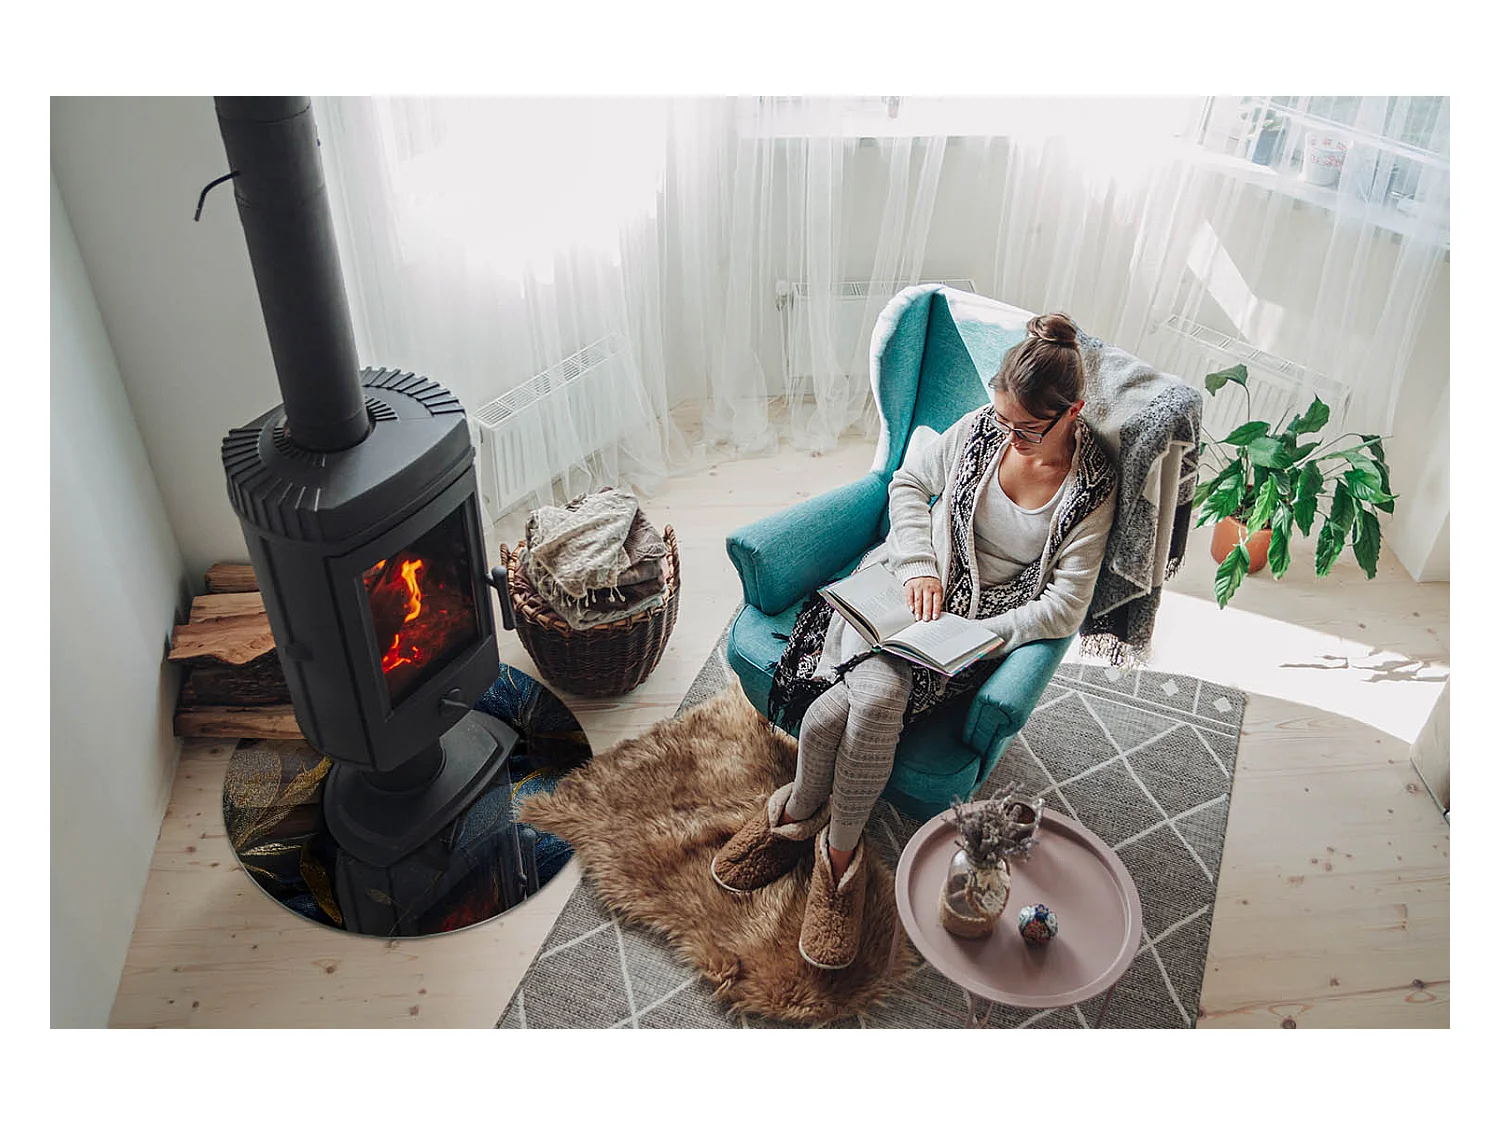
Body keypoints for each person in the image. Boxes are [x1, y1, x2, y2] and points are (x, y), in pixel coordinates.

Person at [710, 312, 1119, 970]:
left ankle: (809, 833)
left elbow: (1065, 605)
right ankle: (828, 849)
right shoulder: (986, 425)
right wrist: (919, 566)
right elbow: (907, 481)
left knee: (849, 710)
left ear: (1070, 412)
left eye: (1025, 429)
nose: (1006, 437)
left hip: (975, 631)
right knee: (866, 704)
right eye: (1001, 418)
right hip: (907, 583)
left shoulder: (1092, 488)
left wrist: (987, 636)